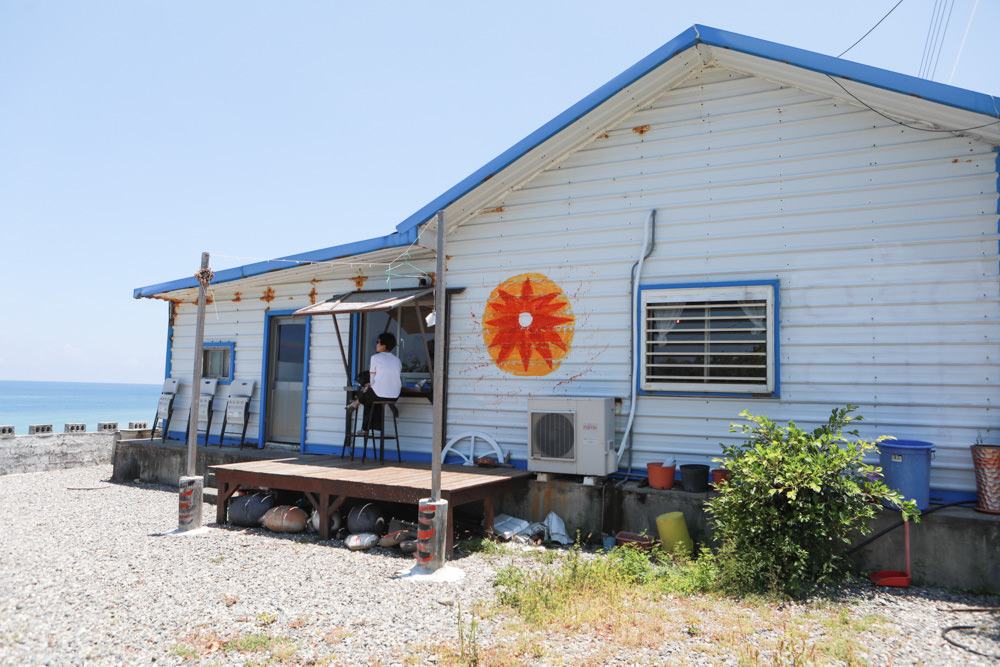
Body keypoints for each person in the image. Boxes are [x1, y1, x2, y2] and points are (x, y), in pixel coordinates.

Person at [347, 332, 402, 436]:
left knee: (368, 396)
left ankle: (362, 423)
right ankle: (357, 405)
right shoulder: (397, 360)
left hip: (378, 394)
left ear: (384, 345)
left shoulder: (375, 358)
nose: (376, 344)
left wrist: (369, 386)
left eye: (378, 342)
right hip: (395, 396)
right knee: (371, 396)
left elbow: (372, 380)